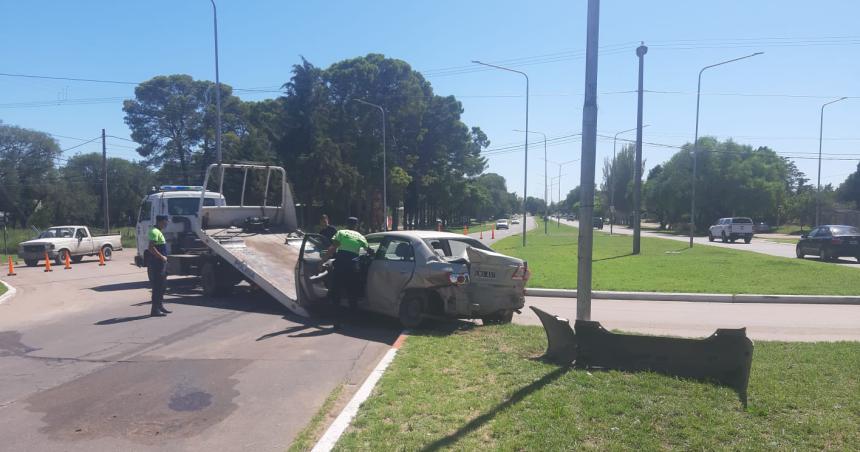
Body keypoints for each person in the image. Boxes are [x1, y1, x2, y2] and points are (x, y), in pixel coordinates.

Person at [322, 216, 369, 308]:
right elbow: (368, 250)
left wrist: (322, 260)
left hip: (340, 265)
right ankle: (352, 315)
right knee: (352, 291)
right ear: (356, 226)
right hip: (352, 267)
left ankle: (337, 314)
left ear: (347, 225)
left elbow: (333, 248)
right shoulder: (361, 236)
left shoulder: (341, 233)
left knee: (336, 290)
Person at [146, 215, 171, 317]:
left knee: (163, 286)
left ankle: (160, 306)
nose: (167, 223)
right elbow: (151, 248)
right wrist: (162, 257)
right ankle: (154, 310)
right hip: (156, 263)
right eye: (166, 221)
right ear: (160, 221)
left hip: (161, 263)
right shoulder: (154, 231)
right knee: (157, 287)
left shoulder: (158, 231)